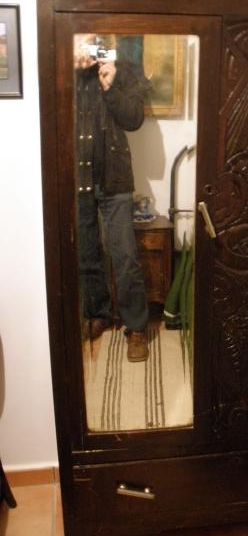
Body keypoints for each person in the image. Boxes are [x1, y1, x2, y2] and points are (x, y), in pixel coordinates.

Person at [74, 34, 149, 362]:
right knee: (86, 254)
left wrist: (110, 85)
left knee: (125, 257)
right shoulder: (66, 70)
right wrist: (71, 68)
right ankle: (98, 313)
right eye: (85, 38)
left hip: (114, 178)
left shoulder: (122, 69)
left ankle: (136, 327)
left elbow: (134, 119)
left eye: (97, 40)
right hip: (77, 177)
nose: (92, 45)